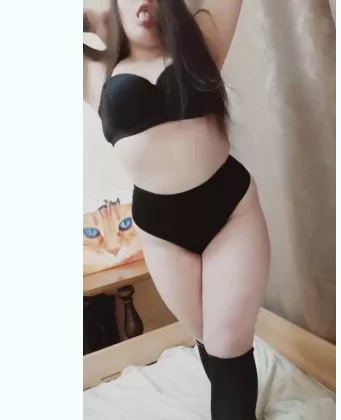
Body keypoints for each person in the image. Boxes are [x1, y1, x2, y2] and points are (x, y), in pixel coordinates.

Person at [83, 1, 270, 419]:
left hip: (230, 213)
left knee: (228, 345)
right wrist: (93, 15)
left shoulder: (201, 41)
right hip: (163, 233)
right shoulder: (94, 71)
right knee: (209, 339)